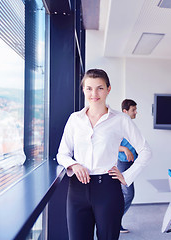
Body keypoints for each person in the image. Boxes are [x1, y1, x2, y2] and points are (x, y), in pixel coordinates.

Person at [56, 69, 152, 240]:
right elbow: (62, 154)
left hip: (108, 189)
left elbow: (146, 150)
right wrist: (74, 165)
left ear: (108, 89)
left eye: (100, 88)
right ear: (83, 90)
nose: (94, 93)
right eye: (89, 88)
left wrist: (127, 176)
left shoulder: (121, 120)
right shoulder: (74, 119)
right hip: (77, 190)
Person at [118, 99, 138, 233]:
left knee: (126, 194)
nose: (136, 112)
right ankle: (114, 221)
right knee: (129, 194)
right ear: (125, 111)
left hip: (129, 164)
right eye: (133, 110)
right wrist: (125, 149)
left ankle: (115, 221)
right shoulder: (120, 126)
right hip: (122, 164)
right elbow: (111, 144)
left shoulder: (130, 125)